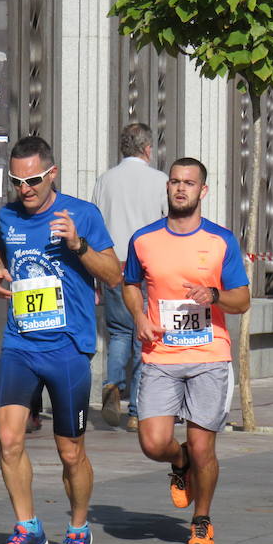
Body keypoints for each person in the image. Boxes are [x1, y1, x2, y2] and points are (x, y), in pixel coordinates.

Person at [0, 136, 122, 544]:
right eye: (16, 181)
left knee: (71, 454)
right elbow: (1, 244)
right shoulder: (8, 215)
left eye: (32, 180)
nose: (24, 189)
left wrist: (78, 245)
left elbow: (115, 275)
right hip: (20, 344)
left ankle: (78, 532)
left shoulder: (82, 214)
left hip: (67, 349)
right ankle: (28, 528)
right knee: (8, 440)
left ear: (52, 174)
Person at [123, 157, 250, 544]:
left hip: (210, 353)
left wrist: (214, 295)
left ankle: (202, 519)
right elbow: (129, 283)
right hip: (160, 353)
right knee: (152, 442)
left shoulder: (220, 240)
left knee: (202, 446)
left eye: (189, 183)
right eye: (175, 182)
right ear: (167, 188)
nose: (181, 188)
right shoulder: (143, 239)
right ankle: (179, 465)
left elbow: (242, 300)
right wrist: (139, 314)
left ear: (203, 191)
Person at [93, 123, 169, 432]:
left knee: (119, 333)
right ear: (148, 148)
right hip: (147, 267)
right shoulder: (160, 181)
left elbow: (94, 225)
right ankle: (137, 409)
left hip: (113, 266)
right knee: (144, 337)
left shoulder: (104, 181)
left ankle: (113, 384)